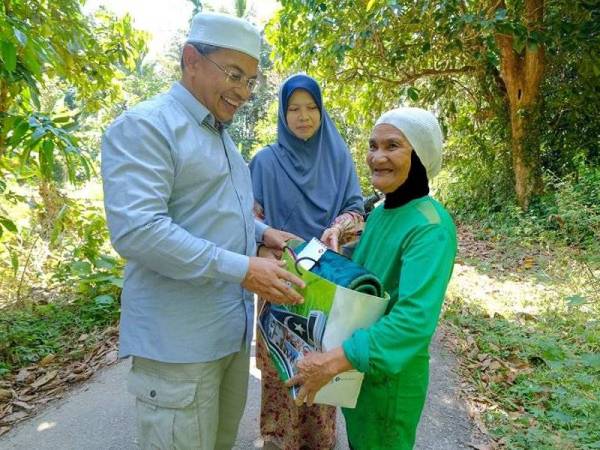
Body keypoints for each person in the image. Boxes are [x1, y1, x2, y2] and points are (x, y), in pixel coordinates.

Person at [101, 12, 305, 450]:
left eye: (251, 81)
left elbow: (211, 213)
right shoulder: (148, 126)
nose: (244, 92)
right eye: (234, 74)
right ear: (191, 58)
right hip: (179, 347)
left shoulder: (220, 137)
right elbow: (138, 230)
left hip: (226, 336)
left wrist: (261, 233)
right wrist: (243, 269)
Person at [288, 107, 458, 450]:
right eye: (372, 145)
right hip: (362, 371)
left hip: (390, 382)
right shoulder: (382, 212)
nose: (377, 157)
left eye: (392, 146)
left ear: (421, 155)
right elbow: (367, 275)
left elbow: (413, 321)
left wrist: (332, 361)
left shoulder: (430, 226)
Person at [249, 73, 364, 450]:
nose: (303, 116)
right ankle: (277, 441)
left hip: (328, 285)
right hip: (278, 281)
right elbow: (248, 219)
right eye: (293, 108)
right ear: (282, 114)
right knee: (281, 373)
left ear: (321, 111)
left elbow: (355, 210)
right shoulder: (264, 162)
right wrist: (265, 243)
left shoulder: (337, 156)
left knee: (323, 372)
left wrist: (338, 227)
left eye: (311, 108)